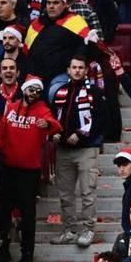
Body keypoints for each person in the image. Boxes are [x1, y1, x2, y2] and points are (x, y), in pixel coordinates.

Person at [0, 75, 61, 262]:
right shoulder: (11, 108)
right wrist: (0, 154)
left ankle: (27, 253)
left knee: (28, 214)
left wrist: (48, 125)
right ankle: (3, 250)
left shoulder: (42, 110)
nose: (34, 93)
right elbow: (1, 135)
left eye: (38, 91)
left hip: (29, 172)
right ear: (24, 90)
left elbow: (57, 126)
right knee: (3, 212)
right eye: (31, 89)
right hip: (8, 169)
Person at [50, 54, 107, 248]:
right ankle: (70, 231)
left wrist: (81, 134)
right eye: (74, 67)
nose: (77, 71)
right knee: (65, 194)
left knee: (87, 192)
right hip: (63, 150)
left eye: (80, 67)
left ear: (86, 70)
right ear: (68, 70)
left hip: (86, 149)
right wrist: (54, 134)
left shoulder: (95, 92)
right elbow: (53, 117)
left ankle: (88, 229)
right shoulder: (60, 91)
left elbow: (100, 119)